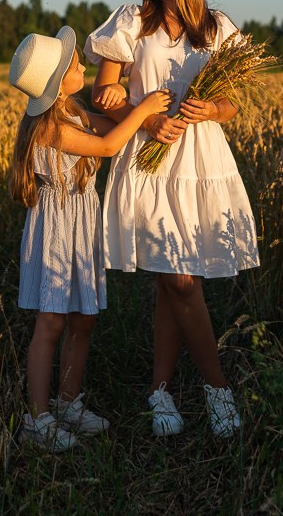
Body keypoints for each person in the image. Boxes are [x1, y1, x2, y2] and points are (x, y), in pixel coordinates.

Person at [84, 0, 260, 438]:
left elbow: (232, 105)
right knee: (180, 280)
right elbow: (102, 96)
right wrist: (146, 113)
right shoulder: (130, 24)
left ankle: (160, 391)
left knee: (173, 283)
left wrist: (211, 109)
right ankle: (217, 389)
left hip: (200, 163)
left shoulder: (217, 26)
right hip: (148, 161)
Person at [9, 26, 172, 451]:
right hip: (56, 229)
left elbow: (116, 127)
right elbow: (107, 147)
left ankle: (67, 403)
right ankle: (37, 419)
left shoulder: (74, 113)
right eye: (75, 64)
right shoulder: (49, 127)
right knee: (51, 322)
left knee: (84, 318)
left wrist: (146, 116)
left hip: (81, 225)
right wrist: (145, 109)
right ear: (58, 79)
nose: (83, 64)